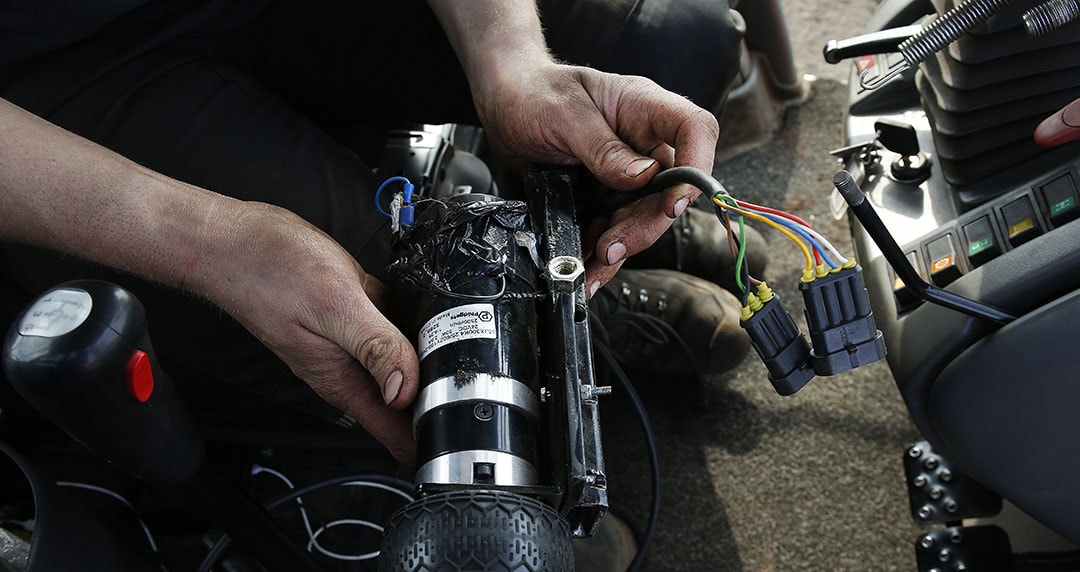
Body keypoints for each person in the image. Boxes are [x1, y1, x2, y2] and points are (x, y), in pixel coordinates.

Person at [0, 0, 747, 467]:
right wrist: (212, 242)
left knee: (674, 43)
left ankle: (578, 254)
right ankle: (554, 330)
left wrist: (512, 62)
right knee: (389, 308)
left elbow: (519, 52)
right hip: (40, 80)